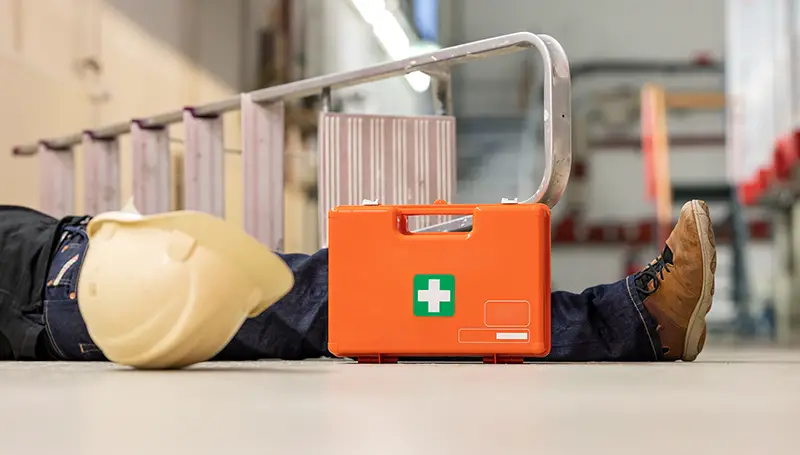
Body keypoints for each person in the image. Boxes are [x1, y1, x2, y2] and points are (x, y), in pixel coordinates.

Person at [0, 199, 716, 363]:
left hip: (86, 258)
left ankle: (636, 321)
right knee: (364, 299)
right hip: (77, 290)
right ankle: (639, 321)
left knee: (352, 303)